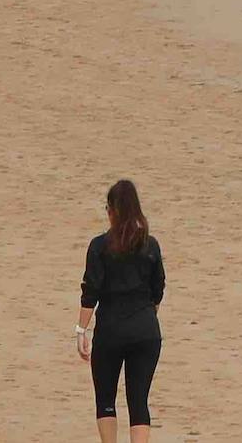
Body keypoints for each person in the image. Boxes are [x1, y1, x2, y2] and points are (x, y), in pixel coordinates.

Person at [77, 179, 165, 443]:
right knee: (139, 402)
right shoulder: (150, 245)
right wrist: (147, 317)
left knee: (105, 399)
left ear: (112, 210)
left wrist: (81, 330)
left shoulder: (100, 246)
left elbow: (90, 291)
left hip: (110, 332)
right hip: (146, 331)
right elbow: (158, 290)